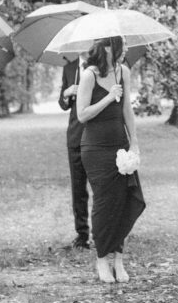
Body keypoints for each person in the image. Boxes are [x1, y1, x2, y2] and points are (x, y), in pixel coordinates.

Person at [76, 36, 145, 283]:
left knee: (126, 200)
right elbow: (82, 115)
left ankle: (119, 259)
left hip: (119, 144)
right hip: (95, 148)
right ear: (108, 47)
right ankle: (102, 259)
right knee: (105, 204)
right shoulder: (89, 75)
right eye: (122, 44)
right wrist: (107, 97)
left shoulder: (123, 71)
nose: (126, 48)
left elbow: (127, 109)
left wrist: (134, 141)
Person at [58, 53, 91, 252]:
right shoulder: (70, 68)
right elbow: (63, 105)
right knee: (78, 188)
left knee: (101, 187)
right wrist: (67, 93)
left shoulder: (101, 67)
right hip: (75, 135)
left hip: (96, 133)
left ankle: (106, 233)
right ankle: (82, 234)